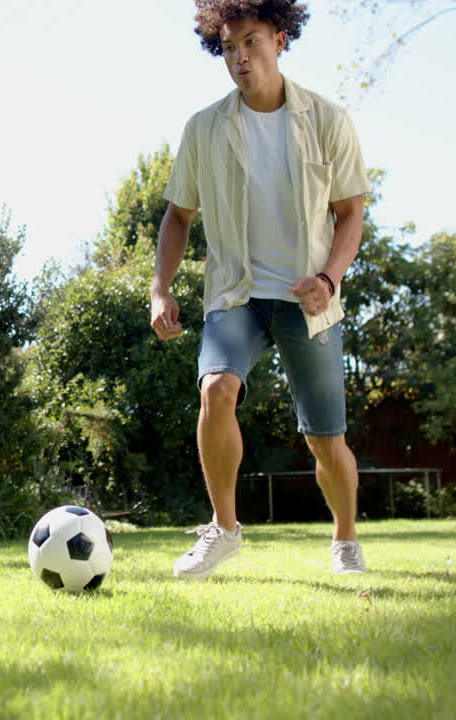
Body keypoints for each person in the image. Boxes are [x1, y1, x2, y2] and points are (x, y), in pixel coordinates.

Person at [150, 0, 371, 578]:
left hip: (309, 302)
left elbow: (351, 213)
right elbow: (178, 216)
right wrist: (161, 287)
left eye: (251, 41)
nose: (240, 57)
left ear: (279, 39)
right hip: (236, 296)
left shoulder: (327, 120)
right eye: (228, 47)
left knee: (327, 442)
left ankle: (345, 539)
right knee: (216, 388)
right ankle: (223, 529)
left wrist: (329, 279)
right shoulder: (204, 129)